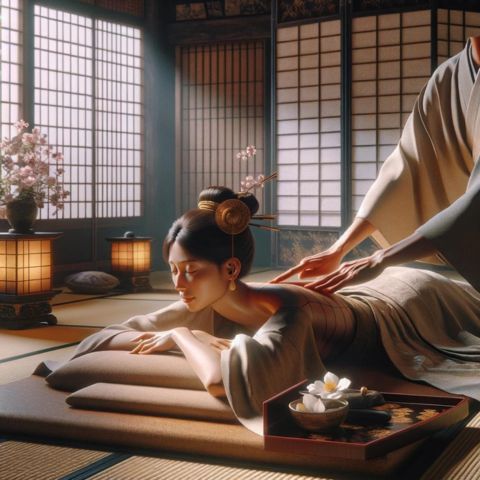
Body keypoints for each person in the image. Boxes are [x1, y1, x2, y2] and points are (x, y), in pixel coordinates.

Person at [70, 187, 480, 436]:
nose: (179, 285)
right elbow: (100, 339)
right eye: (174, 270)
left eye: (191, 272)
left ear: (230, 269)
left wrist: (183, 336)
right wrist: (185, 333)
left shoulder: (289, 309)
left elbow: (219, 381)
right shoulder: (202, 294)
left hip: (408, 305)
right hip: (370, 293)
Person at [272, 36, 480, 294]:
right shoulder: (448, 76)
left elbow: (477, 203)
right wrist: (339, 249)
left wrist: (382, 258)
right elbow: (406, 168)